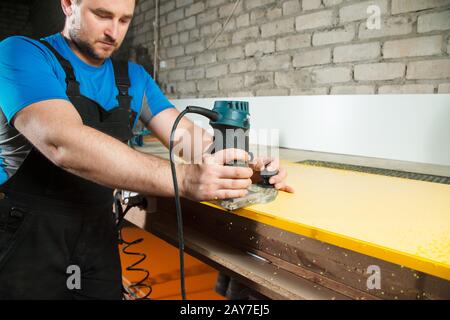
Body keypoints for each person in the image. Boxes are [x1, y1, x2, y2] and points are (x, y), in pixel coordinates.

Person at [0, 0, 293, 299]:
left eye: (124, 20)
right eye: (102, 15)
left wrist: (243, 162)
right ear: (68, 4)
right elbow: (62, 142)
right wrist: (185, 179)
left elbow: (186, 137)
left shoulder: (133, 77)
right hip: (27, 234)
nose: (113, 31)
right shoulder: (21, 54)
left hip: (96, 231)